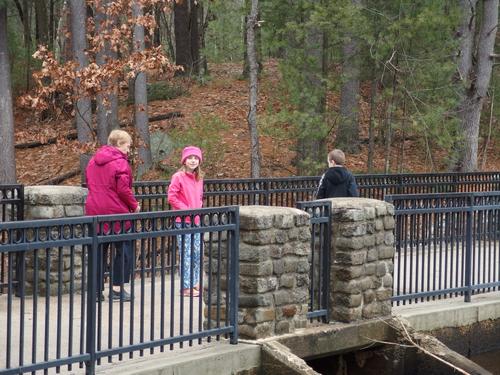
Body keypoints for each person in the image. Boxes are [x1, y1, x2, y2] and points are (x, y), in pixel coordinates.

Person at [85, 129, 140, 302]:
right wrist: (134, 205)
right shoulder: (120, 163)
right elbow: (123, 189)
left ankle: (95, 291)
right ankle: (116, 289)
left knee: (98, 250)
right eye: (127, 146)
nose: (128, 150)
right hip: (116, 212)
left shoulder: (93, 161)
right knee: (124, 250)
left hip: (94, 211)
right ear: (119, 144)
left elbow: (90, 183)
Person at [167, 146, 204, 297]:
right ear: (184, 160)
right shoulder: (178, 177)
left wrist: (198, 209)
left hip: (196, 220)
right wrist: (186, 209)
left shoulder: (199, 177)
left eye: (196, 158)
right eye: (190, 158)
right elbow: (172, 197)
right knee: (186, 253)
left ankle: (195, 282)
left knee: (197, 252)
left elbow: (199, 197)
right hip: (183, 220)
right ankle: (186, 286)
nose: (193, 160)